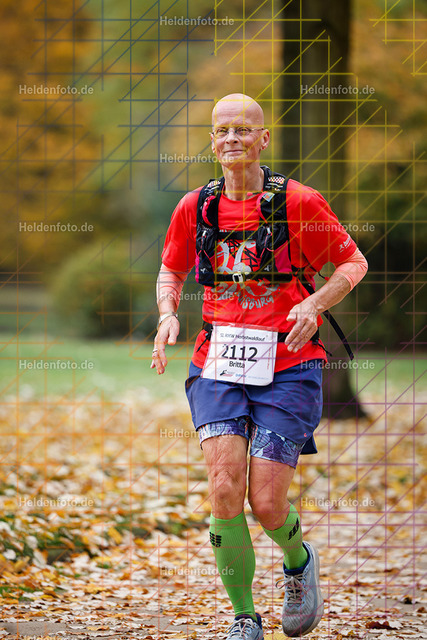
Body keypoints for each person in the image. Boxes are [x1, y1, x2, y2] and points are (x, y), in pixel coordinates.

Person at [151, 94, 368, 639]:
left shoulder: (298, 203)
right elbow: (171, 269)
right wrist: (167, 314)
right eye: (222, 130)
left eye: (243, 129)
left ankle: (298, 562)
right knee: (224, 486)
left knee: (267, 503)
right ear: (212, 141)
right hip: (218, 363)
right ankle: (244, 617)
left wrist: (314, 303)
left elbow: (353, 262)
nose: (232, 138)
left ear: (263, 138)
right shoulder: (195, 207)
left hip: (289, 366)